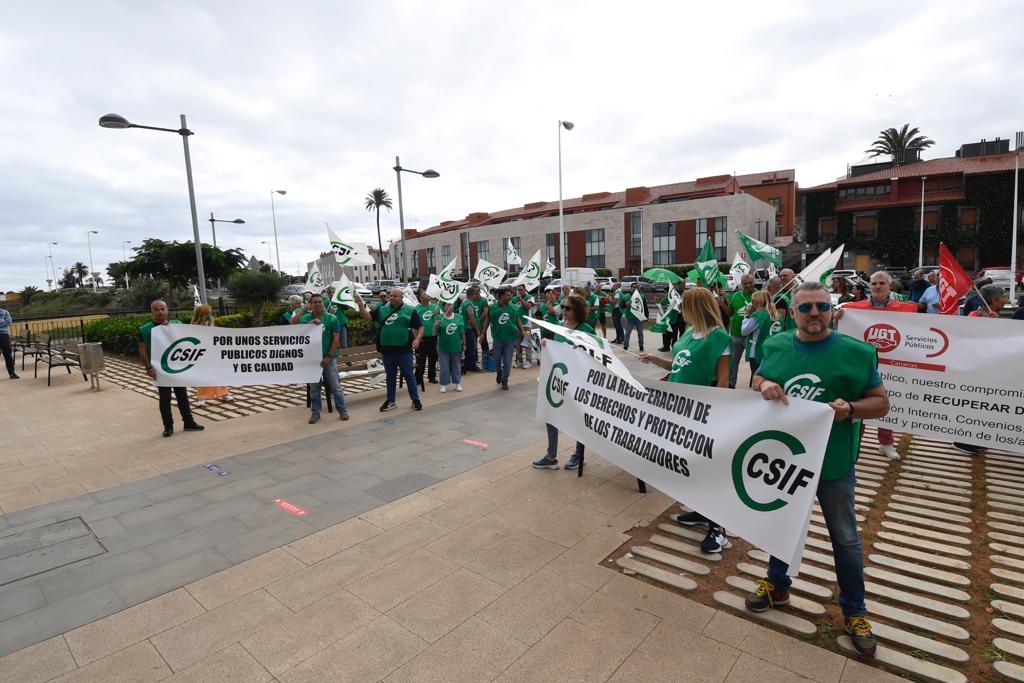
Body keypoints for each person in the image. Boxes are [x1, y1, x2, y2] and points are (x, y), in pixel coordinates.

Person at [746, 282, 889, 658]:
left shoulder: (857, 353)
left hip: (833, 463)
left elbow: (881, 404)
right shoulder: (775, 345)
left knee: (844, 538)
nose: (814, 313)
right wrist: (765, 384)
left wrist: (851, 410)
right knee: (784, 526)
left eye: (821, 307)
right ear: (792, 313)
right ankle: (777, 585)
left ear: (832, 311)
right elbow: (757, 378)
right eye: (806, 307)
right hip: (786, 461)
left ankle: (855, 612)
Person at [641, 287, 732, 553]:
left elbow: (723, 381)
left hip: (703, 413)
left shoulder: (719, 337)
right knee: (692, 468)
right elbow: (679, 367)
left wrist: (714, 415)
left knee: (708, 470)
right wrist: (656, 360)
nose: (680, 309)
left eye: (684, 305)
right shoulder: (687, 337)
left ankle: (719, 528)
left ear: (697, 307)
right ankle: (703, 511)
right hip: (680, 411)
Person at [833, 271, 915, 460]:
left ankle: (886, 443)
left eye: (881, 283)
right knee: (859, 404)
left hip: (892, 365)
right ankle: (854, 443)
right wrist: (837, 318)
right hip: (861, 365)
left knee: (886, 403)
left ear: (889, 286)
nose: (877, 287)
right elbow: (838, 332)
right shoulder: (852, 308)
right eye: (874, 283)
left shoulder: (907, 309)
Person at [532, 294, 592, 471]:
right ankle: (551, 456)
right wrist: (546, 343)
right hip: (558, 381)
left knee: (577, 418)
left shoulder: (586, 329)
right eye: (563, 306)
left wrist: (583, 349)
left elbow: (596, 353)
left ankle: (578, 454)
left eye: (568, 308)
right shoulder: (560, 327)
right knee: (550, 415)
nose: (563, 310)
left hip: (578, 383)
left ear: (577, 311)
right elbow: (556, 349)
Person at [138, 300, 204, 437]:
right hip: (160, 369)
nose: (160, 312)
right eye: (156, 309)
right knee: (165, 398)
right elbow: (142, 350)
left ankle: (188, 422)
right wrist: (148, 368)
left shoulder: (177, 325)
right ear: (152, 312)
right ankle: (168, 426)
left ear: (168, 310)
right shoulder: (145, 329)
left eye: (162, 309)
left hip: (177, 368)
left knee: (182, 396)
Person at [359, 287, 423, 411]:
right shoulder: (382, 309)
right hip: (387, 351)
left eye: (395, 296)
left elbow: (420, 327)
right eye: (391, 295)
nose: (392, 298)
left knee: (409, 376)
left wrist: (418, 339)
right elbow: (368, 317)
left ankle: (415, 400)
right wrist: (360, 305)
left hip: (404, 351)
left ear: (401, 298)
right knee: (390, 377)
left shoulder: (409, 311)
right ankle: (391, 401)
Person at [291, 293, 350, 422]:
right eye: (315, 302)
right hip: (312, 359)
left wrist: (329, 356)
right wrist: (304, 312)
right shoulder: (306, 318)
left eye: (320, 302)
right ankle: (315, 413)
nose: (318, 304)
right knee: (314, 388)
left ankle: (342, 410)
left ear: (323, 303)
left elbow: (336, 339)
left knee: (335, 386)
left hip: (329, 358)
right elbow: (292, 323)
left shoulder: (332, 318)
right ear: (311, 305)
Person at [479, 287, 524, 390]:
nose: (510, 297)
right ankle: (499, 372)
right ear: (501, 296)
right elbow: (487, 321)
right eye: (508, 295)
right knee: (497, 360)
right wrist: (482, 334)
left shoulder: (513, 308)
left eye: (510, 295)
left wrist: (522, 331)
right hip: (498, 338)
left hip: (510, 338)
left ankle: (505, 380)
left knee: (508, 361)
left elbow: (518, 320)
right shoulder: (493, 308)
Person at [191, 304, 232, 406]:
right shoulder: (193, 326)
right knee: (203, 375)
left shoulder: (210, 322)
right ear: (202, 314)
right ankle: (202, 398)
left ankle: (224, 393)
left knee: (218, 373)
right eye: (207, 313)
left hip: (213, 353)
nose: (209, 315)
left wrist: (211, 324)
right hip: (201, 354)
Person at [740, 289, 780, 379]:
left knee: (758, 379)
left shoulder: (759, 315)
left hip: (757, 352)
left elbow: (744, 331)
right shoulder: (777, 315)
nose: (751, 304)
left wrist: (747, 315)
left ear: (757, 303)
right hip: (772, 351)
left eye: (753, 302)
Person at [725, 274, 756, 388]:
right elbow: (730, 313)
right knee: (733, 362)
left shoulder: (759, 295)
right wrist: (721, 303)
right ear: (741, 284)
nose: (748, 285)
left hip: (752, 337)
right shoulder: (736, 296)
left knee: (755, 362)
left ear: (754, 282)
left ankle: (756, 386)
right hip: (736, 335)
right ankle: (731, 385)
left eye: (750, 283)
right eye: (745, 283)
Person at [436, 301, 465, 393]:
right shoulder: (439, 317)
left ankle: (457, 383)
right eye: (448, 305)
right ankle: (444, 384)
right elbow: (435, 334)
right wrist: (436, 326)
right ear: (444, 307)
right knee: (444, 366)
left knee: (456, 365)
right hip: (443, 346)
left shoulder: (459, 317)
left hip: (456, 345)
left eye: (451, 305)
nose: (450, 307)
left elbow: (462, 331)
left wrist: (464, 343)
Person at [414, 291, 439, 390]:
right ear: (420, 298)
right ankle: (418, 378)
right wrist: (417, 338)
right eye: (424, 294)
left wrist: (437, 315)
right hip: (422, 339)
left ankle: (432, 376)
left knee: (433, 357)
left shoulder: (434, 307)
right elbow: (413, 326)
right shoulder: (416, 309)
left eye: (427, 294)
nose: (427, 295)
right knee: (421, 359)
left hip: (432, 337)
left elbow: (440, 319)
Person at [511, 284, 536, 369]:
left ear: (525, 290)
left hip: (526, 325)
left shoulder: (530, 297)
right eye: (518, 290)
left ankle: (528, 361)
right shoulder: (514, 299)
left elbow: (528, 306)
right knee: (518, 344)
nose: (520, 291)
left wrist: (521, 300)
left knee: (527, 343)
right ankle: (519, 361)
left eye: (521, 290)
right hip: (517, 325)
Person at [622, 282, 648, 352]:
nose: (635, 289)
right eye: (634, 287)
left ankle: (641, 345)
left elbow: (645, 307)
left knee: (640, 333)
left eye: (637, 287)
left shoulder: (642, 296)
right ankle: (625, 346)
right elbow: (622, 306)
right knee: (627, 333)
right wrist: (626, 304)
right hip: (629, 318)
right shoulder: (626, 296)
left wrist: (646, 316)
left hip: (639, 318)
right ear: (631, 288)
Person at [461, 287, 482, 372]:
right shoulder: (468, 304)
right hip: (469, 329)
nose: (476, 296)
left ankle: (467, 365)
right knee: (472, 348)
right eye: (475, 294)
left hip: (465, 328)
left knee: (468, 348)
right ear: (472, 294)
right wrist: (477, 330)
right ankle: (471, 366)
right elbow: (472, 318)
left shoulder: (463, 302)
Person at [657, 288, 682, 353]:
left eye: (667, 292)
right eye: (664, 292)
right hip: (666, 320)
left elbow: (679, 309)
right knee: (665, 334)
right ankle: (666, 347)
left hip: (674, 320)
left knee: (674, 335)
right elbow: (661, 310)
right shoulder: (663, 301)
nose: (665, 294)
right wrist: (658, 303)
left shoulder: (676, 300)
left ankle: (674, 347)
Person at [0, 306, 17, 379]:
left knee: (8, 355)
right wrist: (2, 321)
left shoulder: (5, 312)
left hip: (4, 335)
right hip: (4, 333)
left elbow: (9, 322)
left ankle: (12, 373)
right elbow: (5, 322)